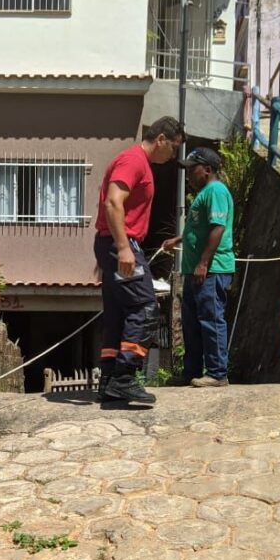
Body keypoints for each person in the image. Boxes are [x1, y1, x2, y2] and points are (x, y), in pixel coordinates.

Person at [94, 117, 184, 404]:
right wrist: (122, 248)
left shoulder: (137, 162)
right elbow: (112, 202)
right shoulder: (133, 161)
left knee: (118, 313)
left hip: (114, 243)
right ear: (161, 140)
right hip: (121, 243)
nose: (173, 155)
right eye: (174, 148)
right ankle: (124, 377)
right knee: (145, 309)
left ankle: (109, 379)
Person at [161, 147, 235, 387]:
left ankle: (217, 373)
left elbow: (218, 228)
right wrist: (179, 239)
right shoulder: (205, 193)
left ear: (207, 170)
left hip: (212, 270)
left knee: (211, 319)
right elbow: (200, 228)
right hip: (194, 270)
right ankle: (191, 372)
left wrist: (204, 262)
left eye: (192, 170)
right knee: (191, 322)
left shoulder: (216, 191)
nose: (188, 175)